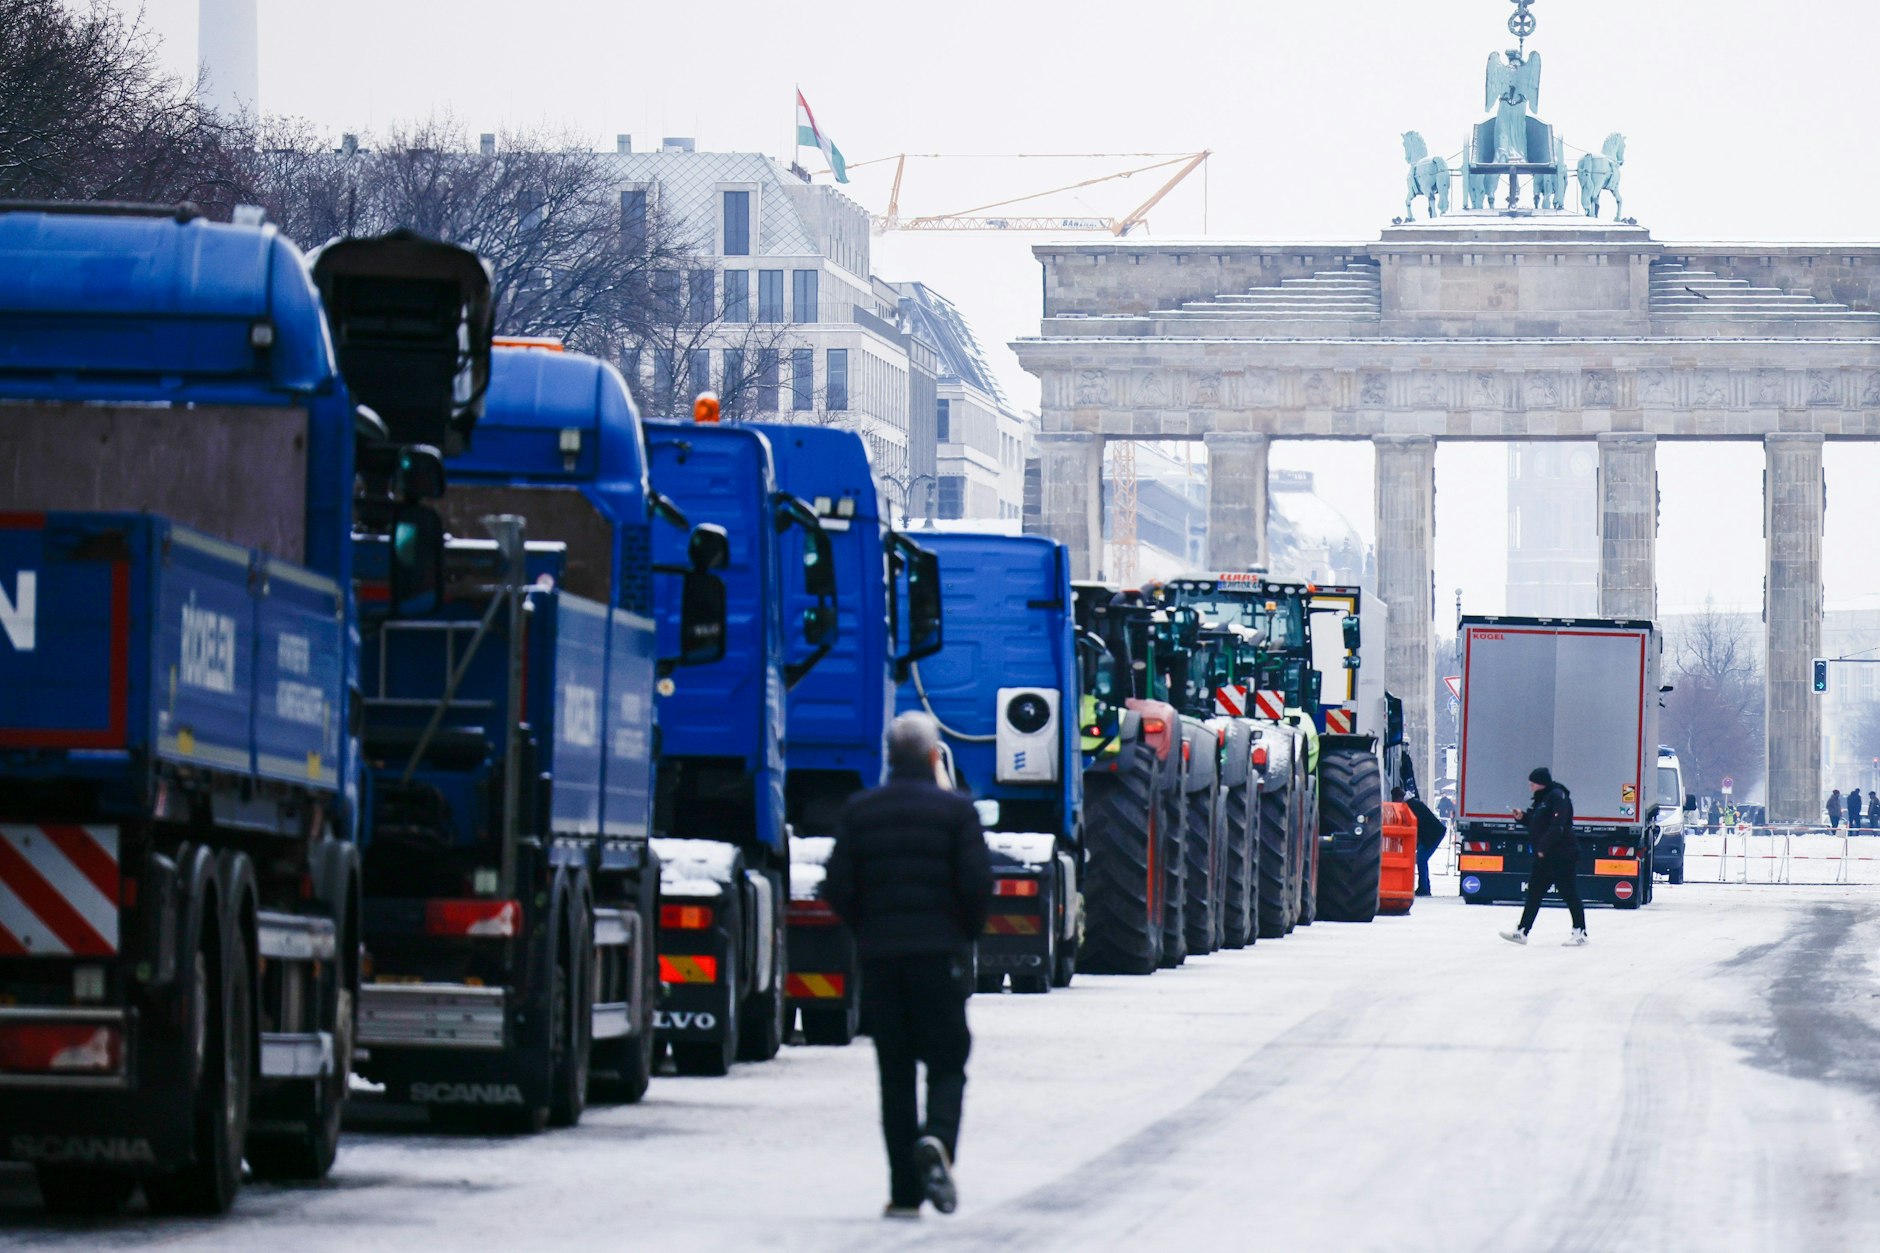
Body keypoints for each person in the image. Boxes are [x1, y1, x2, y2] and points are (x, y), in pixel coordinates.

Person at [824, 712, 991, 1220]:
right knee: (946, 1061)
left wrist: (867, 931)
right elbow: (977, 884)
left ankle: (904, 1191)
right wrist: (962, 935)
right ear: (934, 756)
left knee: (894, 1074)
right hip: (939, 960)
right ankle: (938, 1138)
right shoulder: (957, 812)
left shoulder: (860, 811)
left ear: (889, 757)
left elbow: (836, 886)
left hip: (882, 961)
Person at [1500, 767, 1587, 947]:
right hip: (1546, 856)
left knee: (1568, 892)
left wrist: (1543, 847)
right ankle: (1522, 931)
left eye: (1532, 784)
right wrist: (1522, 817)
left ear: (1541, 783)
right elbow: (1537, 822)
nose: (1530, 787)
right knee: (1534, 893)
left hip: (1562, 854)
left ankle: (1580, 932)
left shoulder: (1557, 796)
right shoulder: (1542, 800)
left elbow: (1558, 826)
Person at [1399, 786, 1446, 897]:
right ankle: (1424, 887)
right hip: (1434, 833)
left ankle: (1424, 888)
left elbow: (1417, 825)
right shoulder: (1413, 803)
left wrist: (1417, 842)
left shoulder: (1411, 806)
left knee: (1421, 859)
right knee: (1421, 859)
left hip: (1433, 834)